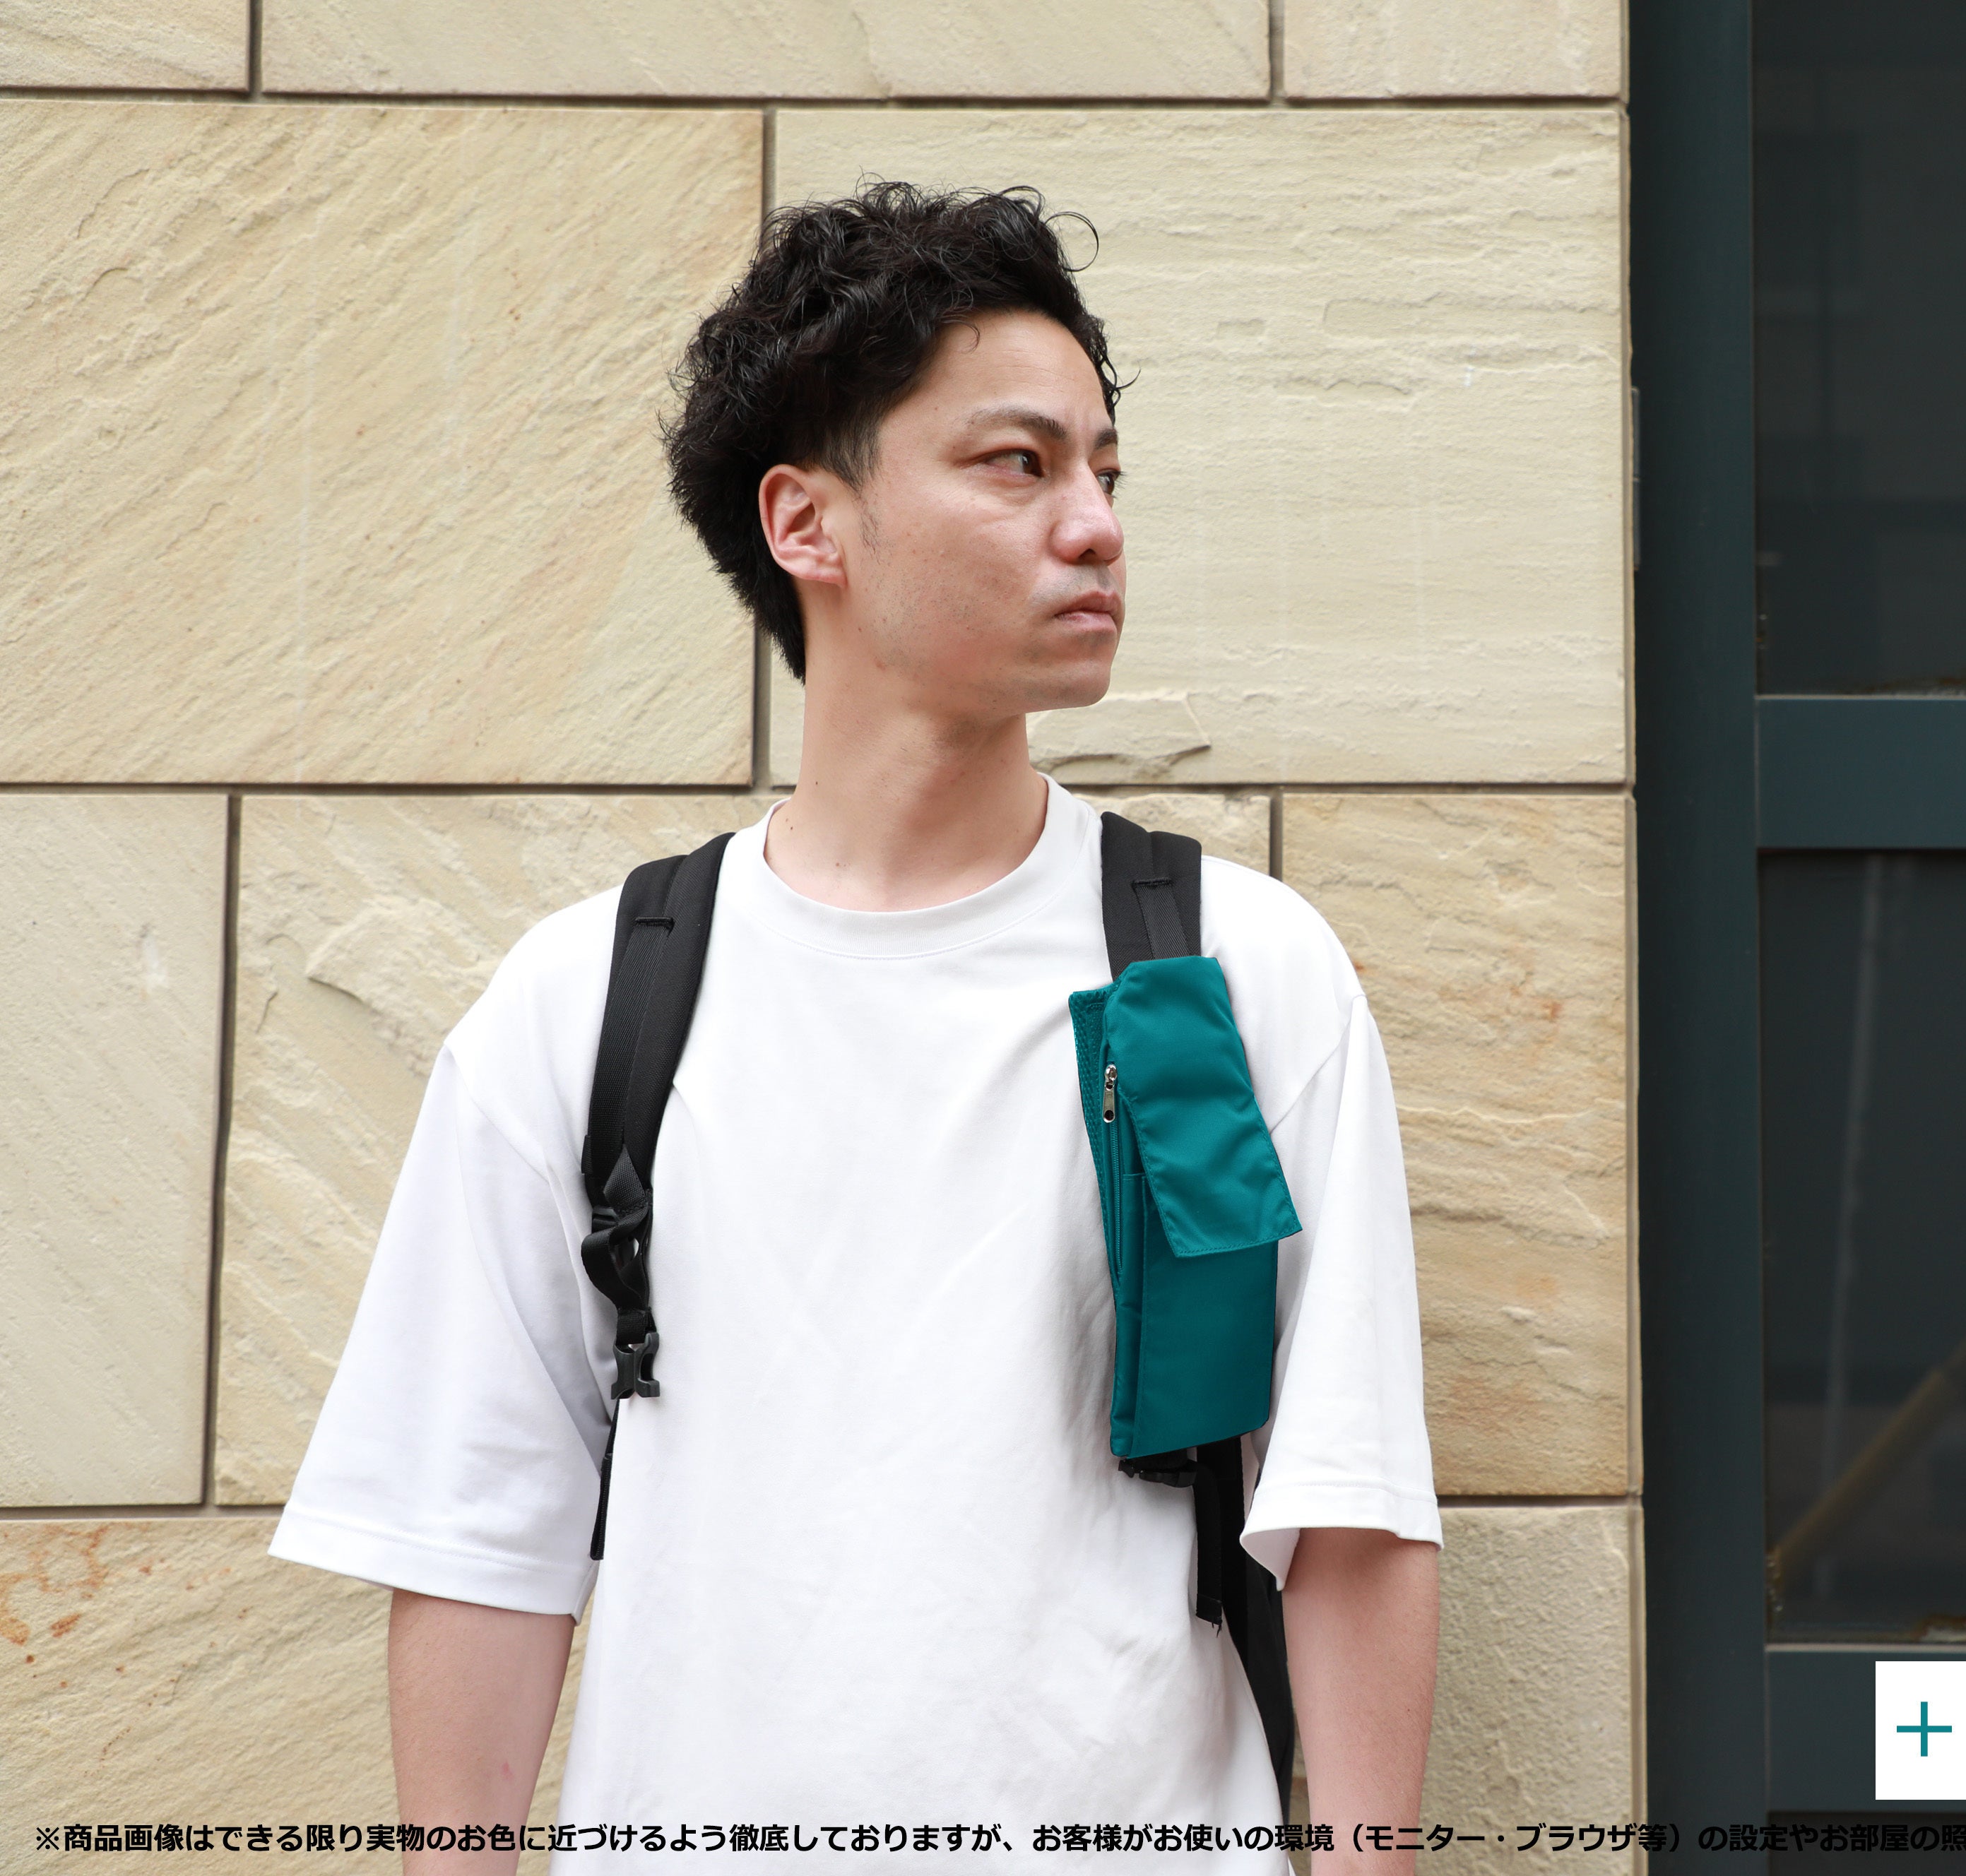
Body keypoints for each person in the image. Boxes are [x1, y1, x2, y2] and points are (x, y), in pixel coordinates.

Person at [270, 184, 1442, 1873]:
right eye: (1019, 464)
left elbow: (1346, 1505)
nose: (1095, 525)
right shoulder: (590, 1002)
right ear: (807, 522)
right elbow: (476, 1539)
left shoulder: (1230, 970)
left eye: (1106, 470)